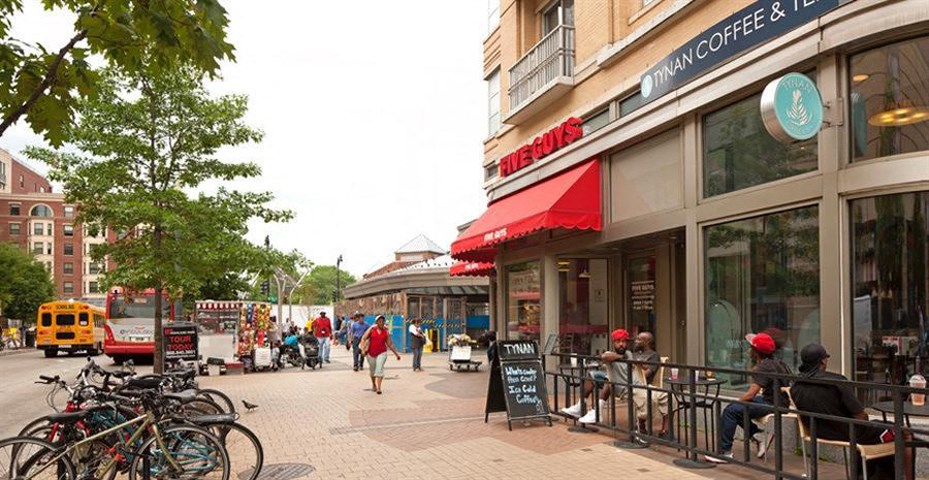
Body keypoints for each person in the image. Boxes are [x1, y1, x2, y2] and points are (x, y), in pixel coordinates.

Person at [791, 343, 913, 480]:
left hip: (817, 432)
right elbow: (860, 415)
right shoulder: (837, 381)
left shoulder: (796, 385)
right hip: (849, 432)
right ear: (823, 361)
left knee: (879, 427)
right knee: (905, 433)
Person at [706, 332, 790, 463]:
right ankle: (760, 435)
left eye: (751, 347)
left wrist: (737, 401)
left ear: (756, 351)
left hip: (772, 403)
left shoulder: (764, 367)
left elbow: (751, 394)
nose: (748, 349)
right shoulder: (775, 363)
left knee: (730, 411)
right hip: (778, 401)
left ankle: (725, 452)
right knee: (734, 409)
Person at [560, 328, 633, 423]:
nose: (621, 344)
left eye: (623, 341)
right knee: (591, 375)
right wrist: (617, 358)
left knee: (609, 380)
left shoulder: (628, 354)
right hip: (614, 382)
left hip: (625, 383)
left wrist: (619, 357)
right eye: (618, 341)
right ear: (613, 343)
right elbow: (605, 357)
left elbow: (607, 357)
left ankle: (597, 412)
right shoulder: (614, 354)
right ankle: (580, 406)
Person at [630, 331, 670, 440]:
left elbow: (647, 373)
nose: (636, 341)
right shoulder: (634, 354)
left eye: (639, 339)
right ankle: (641, 426)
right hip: (630, 383)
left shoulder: (654, 356)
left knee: (669, 397)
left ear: (646, 342)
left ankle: (665, 430)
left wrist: (639, 366)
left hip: (645, 384)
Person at [360, 315, 401, 394]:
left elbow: (390, 344)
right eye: (379, 321)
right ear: (376, 323)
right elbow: (363, 338)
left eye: (382, 321)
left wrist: (396, 354)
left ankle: (379, 388)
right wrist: (362, 350)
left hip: (382, 352)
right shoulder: (372, 329)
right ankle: (373, 384)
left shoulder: (386, 332)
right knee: (372, 371)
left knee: (379, 368)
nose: (381, 323)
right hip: (371, 353)